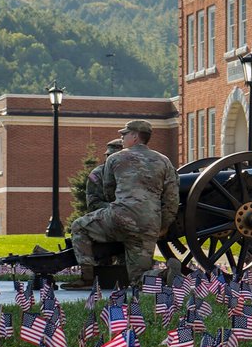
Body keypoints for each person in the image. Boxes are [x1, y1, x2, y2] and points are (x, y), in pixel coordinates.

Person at [70, 120, 179, 287]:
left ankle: (87, 277)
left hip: (119, 217)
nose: (122, 138)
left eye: (124, 135)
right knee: (138, 279)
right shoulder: (164, 161)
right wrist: (162, 224)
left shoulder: (115, 158)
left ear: (135, 136)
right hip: (149, 224)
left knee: (79, 226)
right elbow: (172, 198)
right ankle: (164, 274)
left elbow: (109, 192)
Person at [63, 138, 124, 289]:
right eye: (109, 157)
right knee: (80, 227)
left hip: (130, 222)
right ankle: (87, 276)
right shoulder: (97, 175)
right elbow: (94, 203)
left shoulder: (133, 174)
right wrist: (116, 209)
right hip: (107, 219)